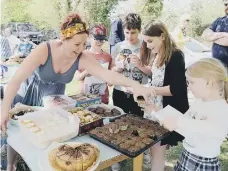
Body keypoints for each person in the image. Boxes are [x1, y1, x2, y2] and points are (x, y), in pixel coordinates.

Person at [0, 13, 154, 171]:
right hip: (29, 92)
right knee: (18, 134)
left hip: (53, 98)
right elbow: (16, 80)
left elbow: (107, 75)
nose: (81, 49)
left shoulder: (82, 56)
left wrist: (135, 85)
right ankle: (11, 165)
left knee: (47, 136)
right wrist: (4, 109)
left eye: (84, 44)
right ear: (63, 38)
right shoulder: (45, 49)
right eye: (77, 44)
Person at [162, 58, 228, 171]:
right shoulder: (198, 102)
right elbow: (186, 127)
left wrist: (179, 121)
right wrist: (160, 113)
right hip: (187, 155)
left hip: (204, 162)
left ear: (208, 82)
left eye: (191, 82)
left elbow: (216, 130)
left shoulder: (221, 108)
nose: (188, 87)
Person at [141, 20, 189, 171]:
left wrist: (151, 90)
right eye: (146, 42)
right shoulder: (158, 54)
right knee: (154, 149)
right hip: (155, 109)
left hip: (165, 111)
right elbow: (157, 78)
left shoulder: (175, 55)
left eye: (150, 41)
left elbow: (176, 88)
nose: (148, 46)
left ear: (162, 36)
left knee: (158, 151)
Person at [112, 13, 152, 118]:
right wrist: (118, 68)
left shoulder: (147, 46)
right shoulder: (118, 47)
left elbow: (152, 72)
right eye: (127, 32)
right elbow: (111, 71)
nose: (130, 36)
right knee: (119, 122)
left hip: (140, 92)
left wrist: (139, 65)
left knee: (141, 122)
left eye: (133, 32)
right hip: (120, 92)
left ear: (140, 30)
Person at [76, 24, 112, 104]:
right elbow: (78, 78)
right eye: (97, 39)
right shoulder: (82, 55)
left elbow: (110, 83)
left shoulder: (108, 57)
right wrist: (86, 72)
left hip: (103, 99)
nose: (99, 42)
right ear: (89, 37)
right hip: (86, 99)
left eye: (102, 40)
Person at [203, 0, 228, 75]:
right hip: (215, 64)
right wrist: (225, 34)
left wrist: (214, 36)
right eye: (226, 4)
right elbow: (205, 35)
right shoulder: (219, 20)